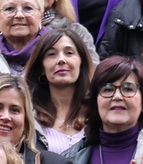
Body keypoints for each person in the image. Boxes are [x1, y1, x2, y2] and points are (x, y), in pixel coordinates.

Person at [64, 56, 143, 164]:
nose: (117, 97)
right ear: (95, 100)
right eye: (108, 89)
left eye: (128, 89)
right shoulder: (69, 161)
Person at [24, 22, 98, 156]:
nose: (61, 60)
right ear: (41, 68)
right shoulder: (27, 115)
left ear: (81, 63)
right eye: (52, 54)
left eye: (69, 53)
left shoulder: (98, 113)